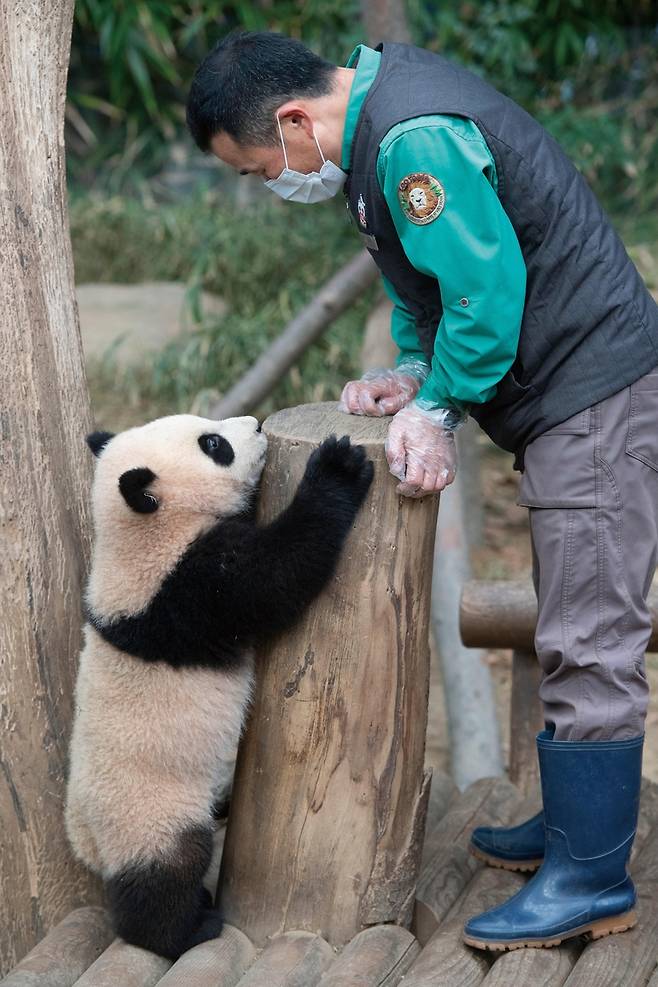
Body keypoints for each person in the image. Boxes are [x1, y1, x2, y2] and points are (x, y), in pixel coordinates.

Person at [186, 31, 658, 950]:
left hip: (595, 394)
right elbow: (426, 285)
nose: (269, 185)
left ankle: (593, 878)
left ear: (293, 122)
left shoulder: (412, 141)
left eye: (257, 170)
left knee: (589, 633)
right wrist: (411, 369)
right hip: (570, 394)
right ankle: (577, 830)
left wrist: (439, 405)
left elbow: (484, 293)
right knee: (572, 613)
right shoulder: (378, 131)